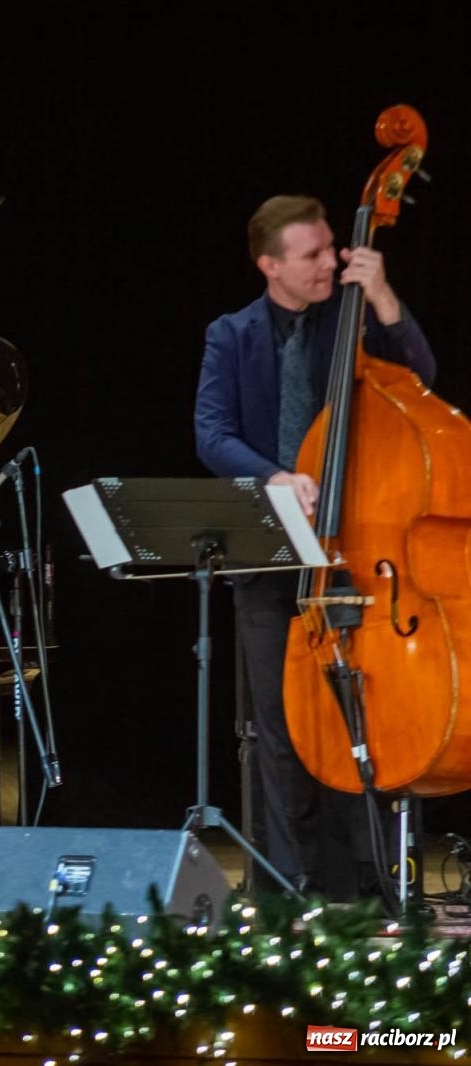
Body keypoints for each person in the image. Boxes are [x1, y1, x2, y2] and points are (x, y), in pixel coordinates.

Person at [195, 195, 436, 896]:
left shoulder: (355, 320)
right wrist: (274, 476)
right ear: (270, 265)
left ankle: (369, 876)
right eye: (312, 254)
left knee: (364, 719)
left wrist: (383, 294)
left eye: (332, 247)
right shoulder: (231, 335)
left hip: (361, 549)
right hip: (271, 552)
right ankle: (287, 878)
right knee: (280, 728)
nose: (331, 262)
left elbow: (420, 379)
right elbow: (212, 433)